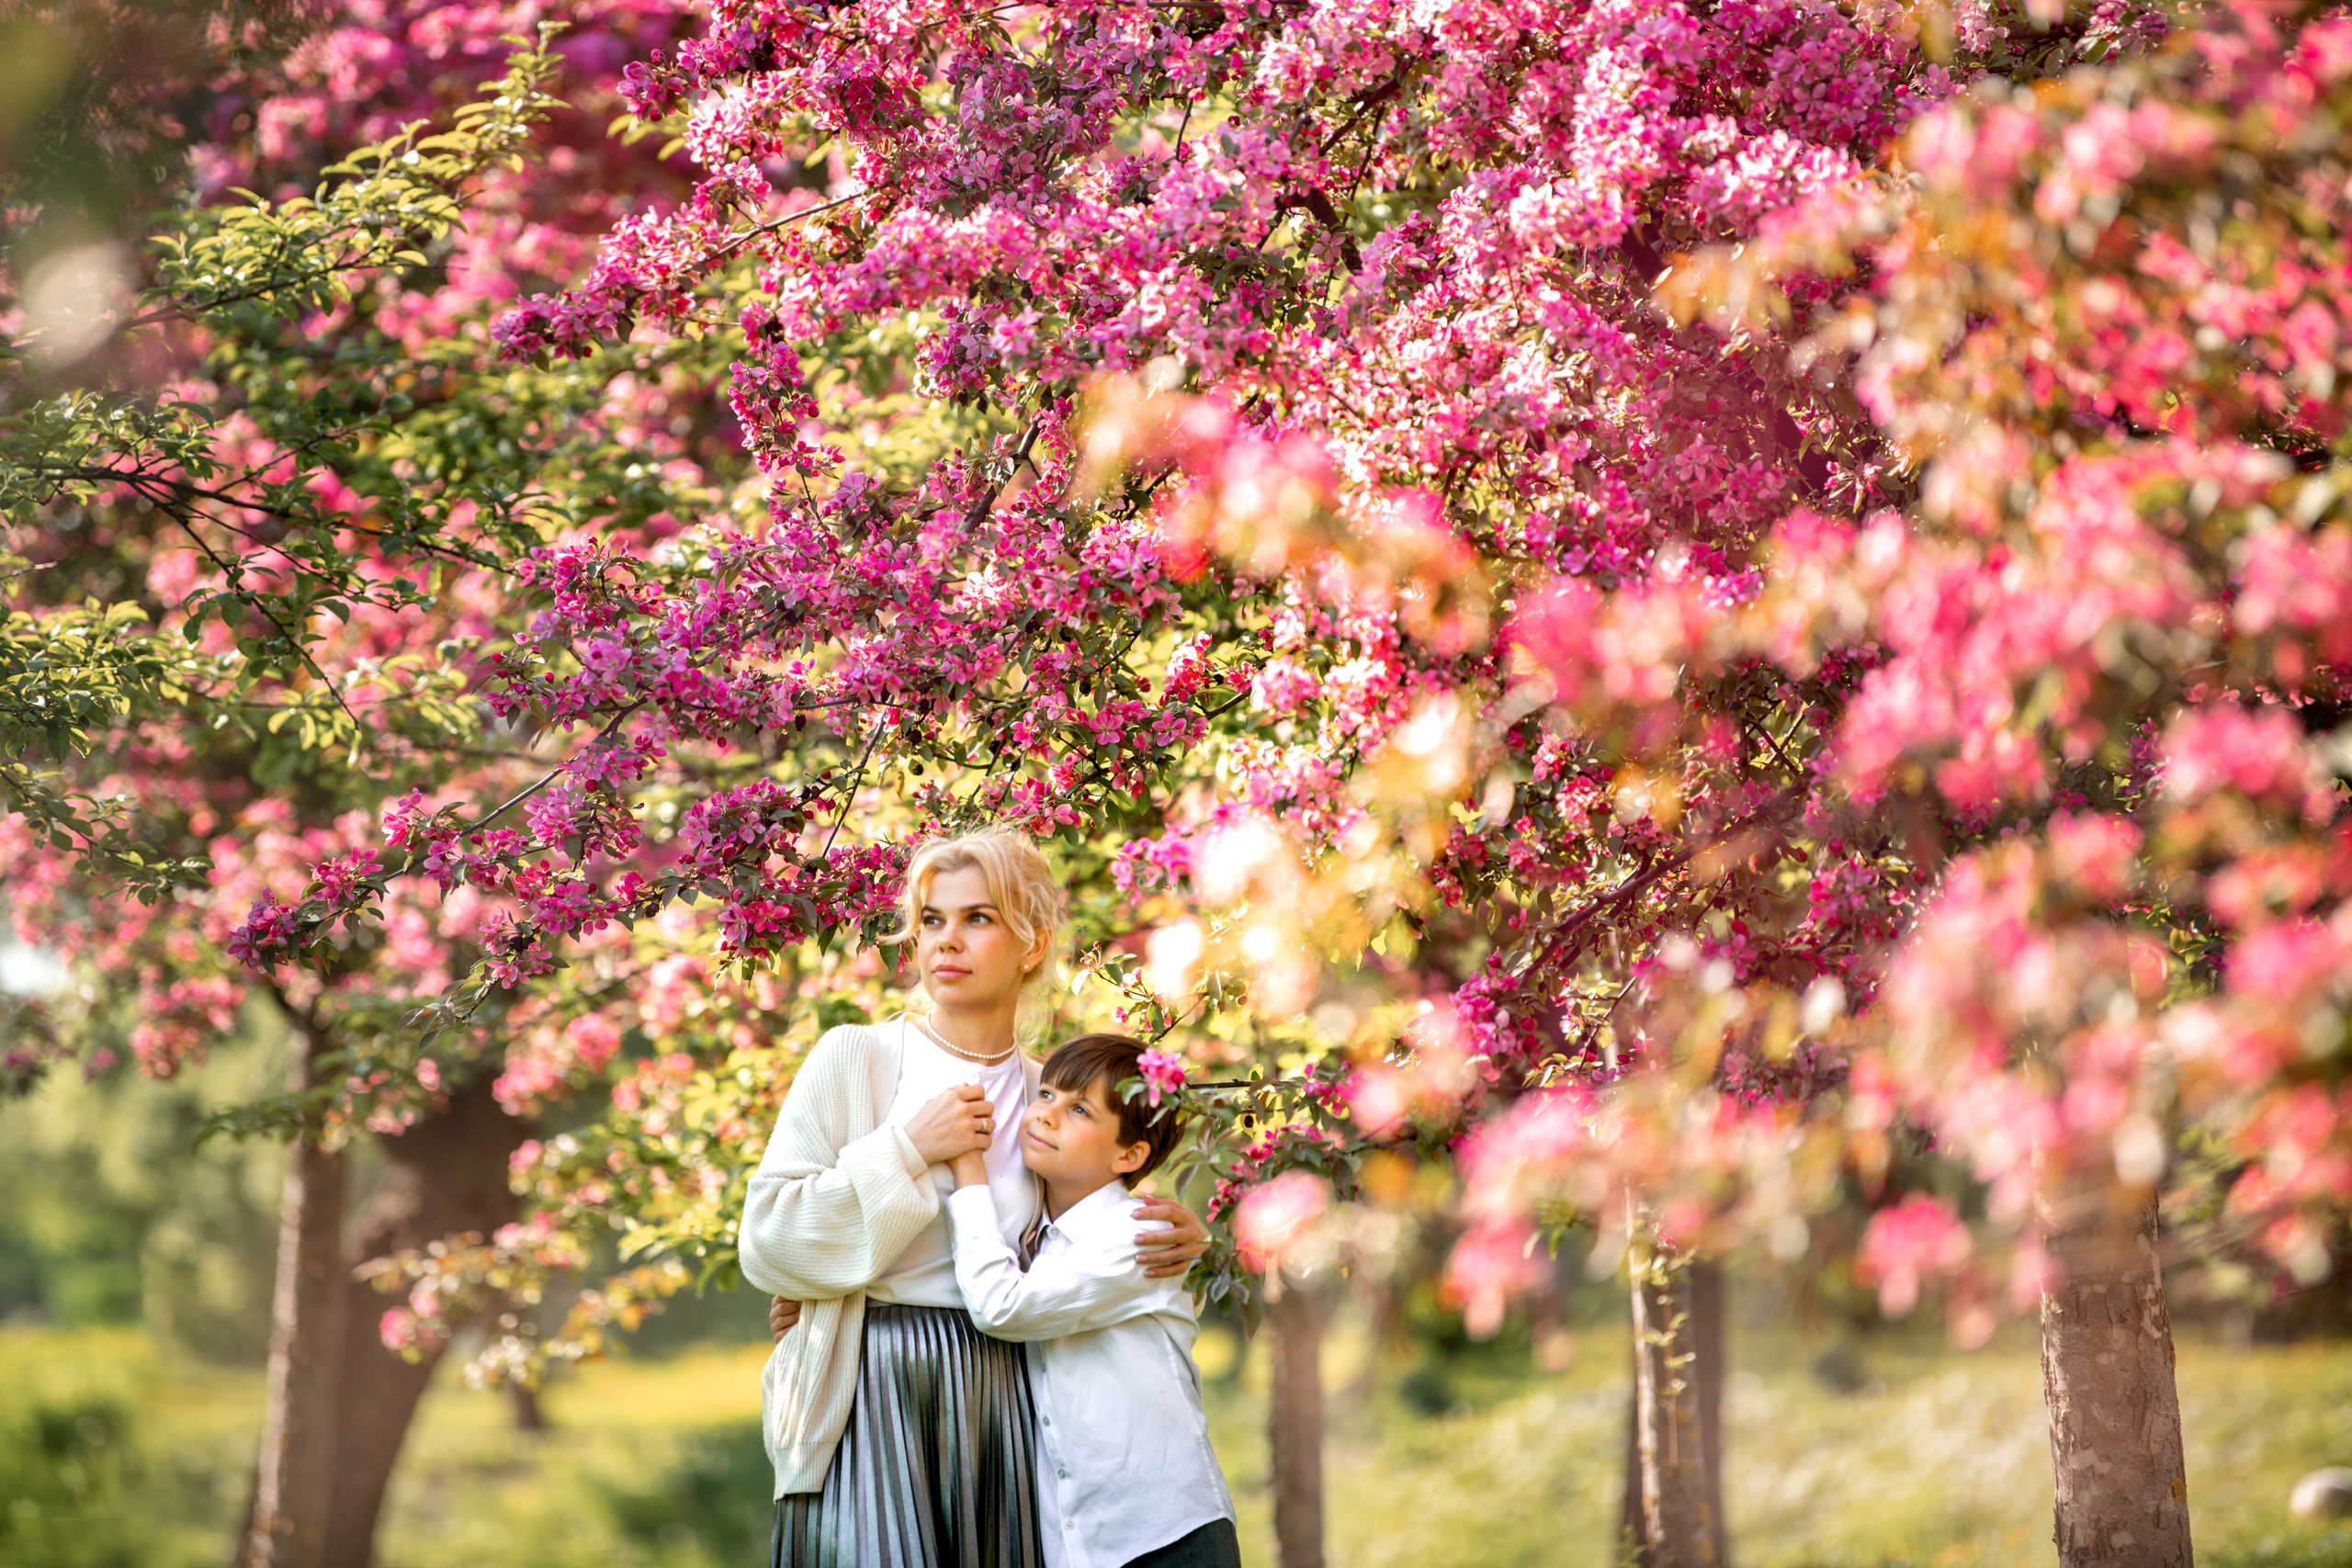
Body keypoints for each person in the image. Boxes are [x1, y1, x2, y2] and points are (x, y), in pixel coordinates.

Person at [738, 826, 1208, 1568]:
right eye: (932, 919)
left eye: (977, 918)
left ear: (1031, 943)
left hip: (1002, 1400)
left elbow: (1083, 1247)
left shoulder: (1046, 1098)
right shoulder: (856, 1057)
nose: (945, 940)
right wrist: (908, 1148)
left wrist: (1175, 1238)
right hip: (869, 1388)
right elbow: (768, 1239)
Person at [945, 1032, 1240, 1568]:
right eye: (1047, 1094)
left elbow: (999, 1307)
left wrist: (969, 1170)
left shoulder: (1139, 1235)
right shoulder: (1034, 1238)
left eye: (1079, 1109)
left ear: (1129, 1154)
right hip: (1078, 1546)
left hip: (1167, 1538)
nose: (1047, 1115)